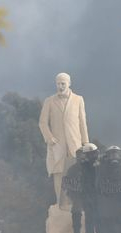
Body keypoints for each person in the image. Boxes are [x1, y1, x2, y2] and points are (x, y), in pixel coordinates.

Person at [39, 72, 90, 208]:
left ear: (69, 83)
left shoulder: (78, 99)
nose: (60, 86)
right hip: (57, 145)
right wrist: (49, 138)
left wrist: (85, 143)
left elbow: (82, 122)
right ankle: (60, 203)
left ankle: (76, 203)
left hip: (75, 144)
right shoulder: (49, 101)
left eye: (63, 83)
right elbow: (43, 123)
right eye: (58, 83)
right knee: (59, 174)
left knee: (76, 172)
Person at [62, 143, 99, 233]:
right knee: (76, 214)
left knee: (90, 217)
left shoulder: (93, 167)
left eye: (83, 155)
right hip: (77, 196)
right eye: (79, 155)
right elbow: (66, 183)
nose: (81, 158)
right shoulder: (72, 169)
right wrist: (72, 194)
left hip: (90, 195)